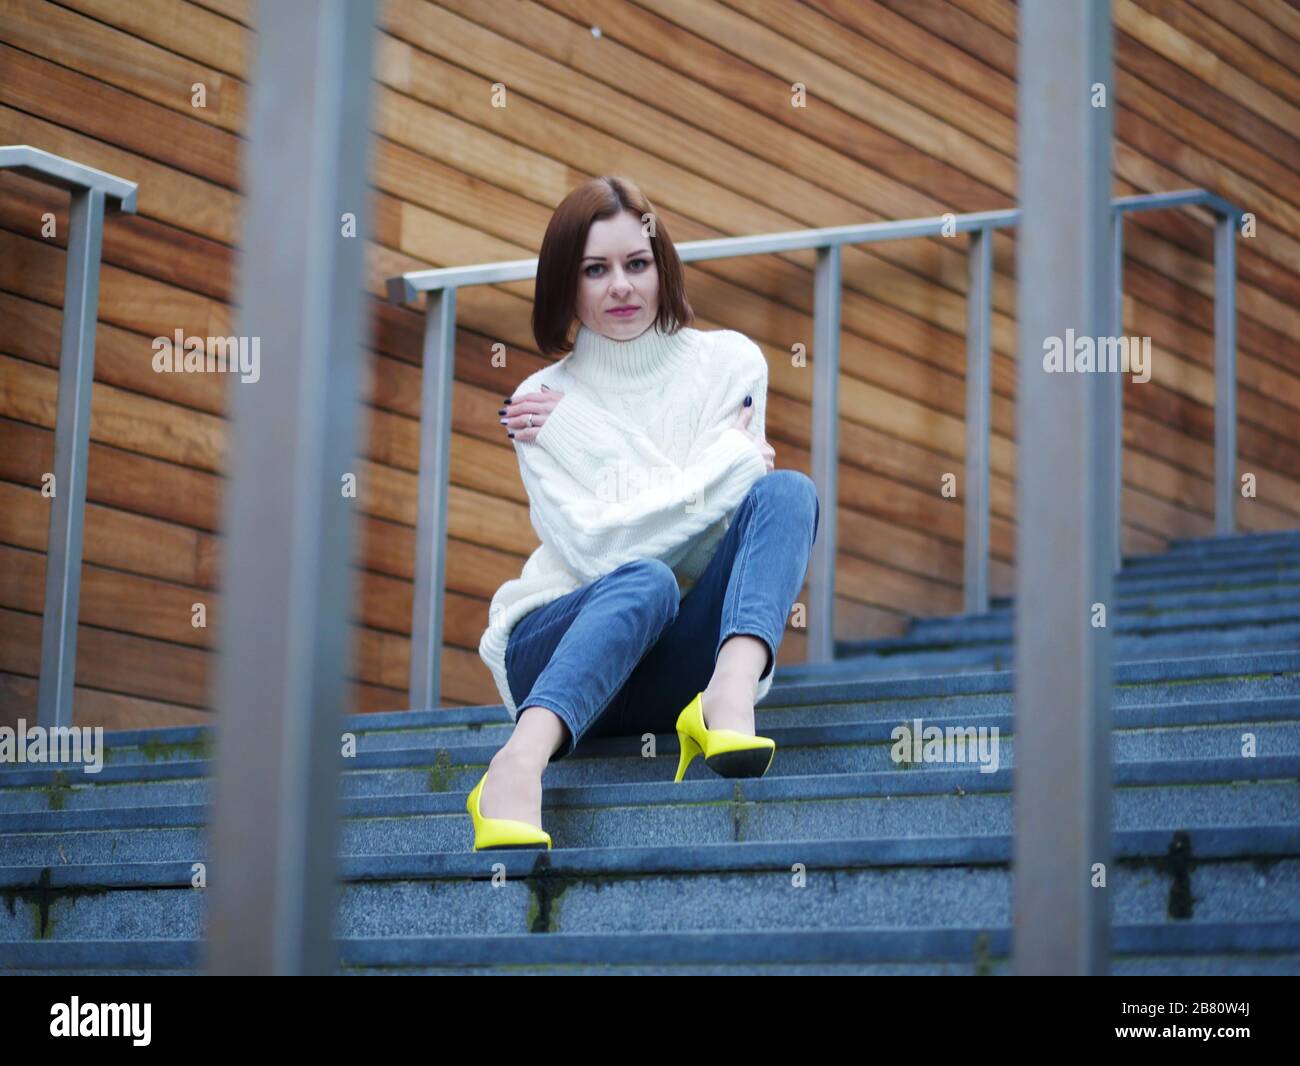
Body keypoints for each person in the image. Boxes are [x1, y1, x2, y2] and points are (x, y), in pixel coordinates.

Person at [467, 176, 820, 850]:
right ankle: (515, 764)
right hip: (560, 656)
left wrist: (590, 442)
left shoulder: (730, 362)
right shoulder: (539, 399)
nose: (620, 287)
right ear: (565, 285)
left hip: (680, 670)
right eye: (595, 270)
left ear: (663, 268)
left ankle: (732, 691)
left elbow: (706, 542)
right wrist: (729, 461)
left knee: (787, 493)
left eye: (637, 264)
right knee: (644, 582)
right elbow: (601, 553)